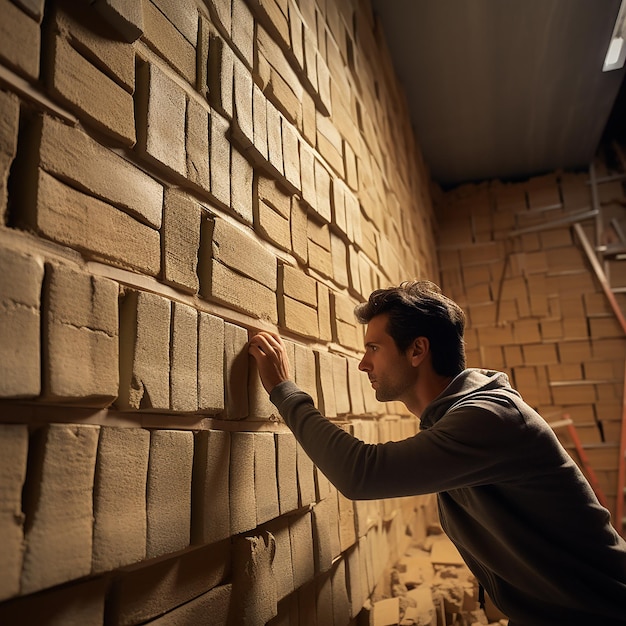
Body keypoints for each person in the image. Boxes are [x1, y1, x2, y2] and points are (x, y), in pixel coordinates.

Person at [248, 280, 626, 626]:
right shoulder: (457, 418)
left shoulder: (488, 417)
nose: (364, 363)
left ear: (417, 350)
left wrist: (284, 390)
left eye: (374, 348)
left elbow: (361, 474)